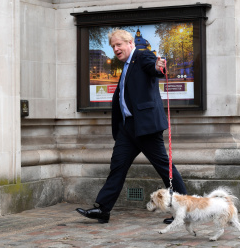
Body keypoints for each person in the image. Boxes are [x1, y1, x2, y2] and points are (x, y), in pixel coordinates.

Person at [76, 29, 187, 224]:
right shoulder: (126, 65)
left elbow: (154, 68)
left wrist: (160, 67)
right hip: (127, 129)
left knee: (165, 168)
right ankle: (103, 210)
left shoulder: (142, 55)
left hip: (146, 127)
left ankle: (184, 210)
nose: (116, 49)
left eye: (118, 45)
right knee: (117, 167)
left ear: (130, 43)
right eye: (113, 46)